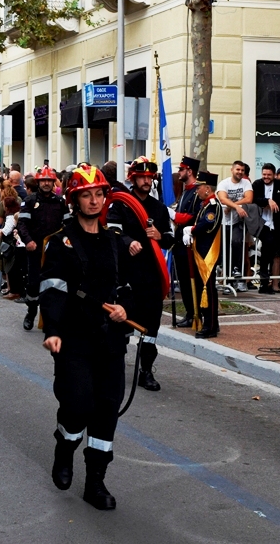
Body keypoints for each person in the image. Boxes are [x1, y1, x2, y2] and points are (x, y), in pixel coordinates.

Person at [38, 164, 130, 511]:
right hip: (74, 338)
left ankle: (95, 482)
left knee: (107, 411)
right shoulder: (61, 242)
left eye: (99, 194)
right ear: (74, 200)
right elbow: (52, 288)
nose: (94, 200)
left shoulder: (113, 241)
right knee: (77, 404)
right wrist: (53, 330)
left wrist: (124, 308)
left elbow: (127, 286)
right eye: (86, 195)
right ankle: (65, 448)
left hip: (110, 340)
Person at [107, 157, 174, 392]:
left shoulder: (158, 208)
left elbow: (170, 238)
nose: (146, 180)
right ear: (133, 178)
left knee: (151, 327)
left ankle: (146, 370)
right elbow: (111, 231)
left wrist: (160, 236)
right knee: (122, 324)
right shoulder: (122, 204)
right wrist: (128, 241)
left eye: (149, 177)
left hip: (151, 277)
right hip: (125, 276)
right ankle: (115, 367)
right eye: (141, 177)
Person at [16, 165, 65, 330]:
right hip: (35, 249)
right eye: (43, 181)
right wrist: (28, 241)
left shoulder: (60, 202)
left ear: (53, 183)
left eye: (49, 181)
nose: (46, 184)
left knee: (53, 285)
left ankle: (49, 317)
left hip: (55, 251)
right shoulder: (30, 201)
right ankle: (31, 313)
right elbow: (22, 224)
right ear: (38, 182)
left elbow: (67, 225)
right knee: (33, 284)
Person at [184, 172, 222, 338]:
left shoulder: (213, 205)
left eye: (199, 187)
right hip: (201, 252)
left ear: (207, 188)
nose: (197, 190)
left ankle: (210, 326)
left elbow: (207, 223)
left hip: (208, 254)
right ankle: (211, 322)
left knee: (208, 290)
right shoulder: (206, 205)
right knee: (203, 289)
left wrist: (191, 230)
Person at [171, 156, 203, 327]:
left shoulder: (197, 192)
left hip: (191, 243)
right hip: (180, 243)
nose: (179, 172)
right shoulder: (185, 191)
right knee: (183, 280)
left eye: (181, 170)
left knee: (191, 279)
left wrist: (174, 215)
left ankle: (195, 313)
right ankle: (190, 312)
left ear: (189, 171)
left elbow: (194, 217)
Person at [252, 163, 280, 294]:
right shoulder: (257, 184)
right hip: (261, 223)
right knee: (267, 249)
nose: (266, 177)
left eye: (269, 175)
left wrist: (275, 202)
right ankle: (264, 282)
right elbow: (254, 199)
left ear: (274, 175)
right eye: (264, 174)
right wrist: (267, 201)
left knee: (272, 252)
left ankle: (268, 282)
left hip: (275, 223)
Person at [216, 160, 253, 290]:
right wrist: (236, 206)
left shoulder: (246, 182)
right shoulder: (224, 183)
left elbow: (249, 198)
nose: (240, 172)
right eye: (238, 170)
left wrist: (233, 207)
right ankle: (227, 281)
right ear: (232, 170)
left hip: (237, 221)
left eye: (242, 170)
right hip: (222, 222)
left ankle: (236, 269)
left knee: (236, 242)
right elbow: (222, 198)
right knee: (224, 249)